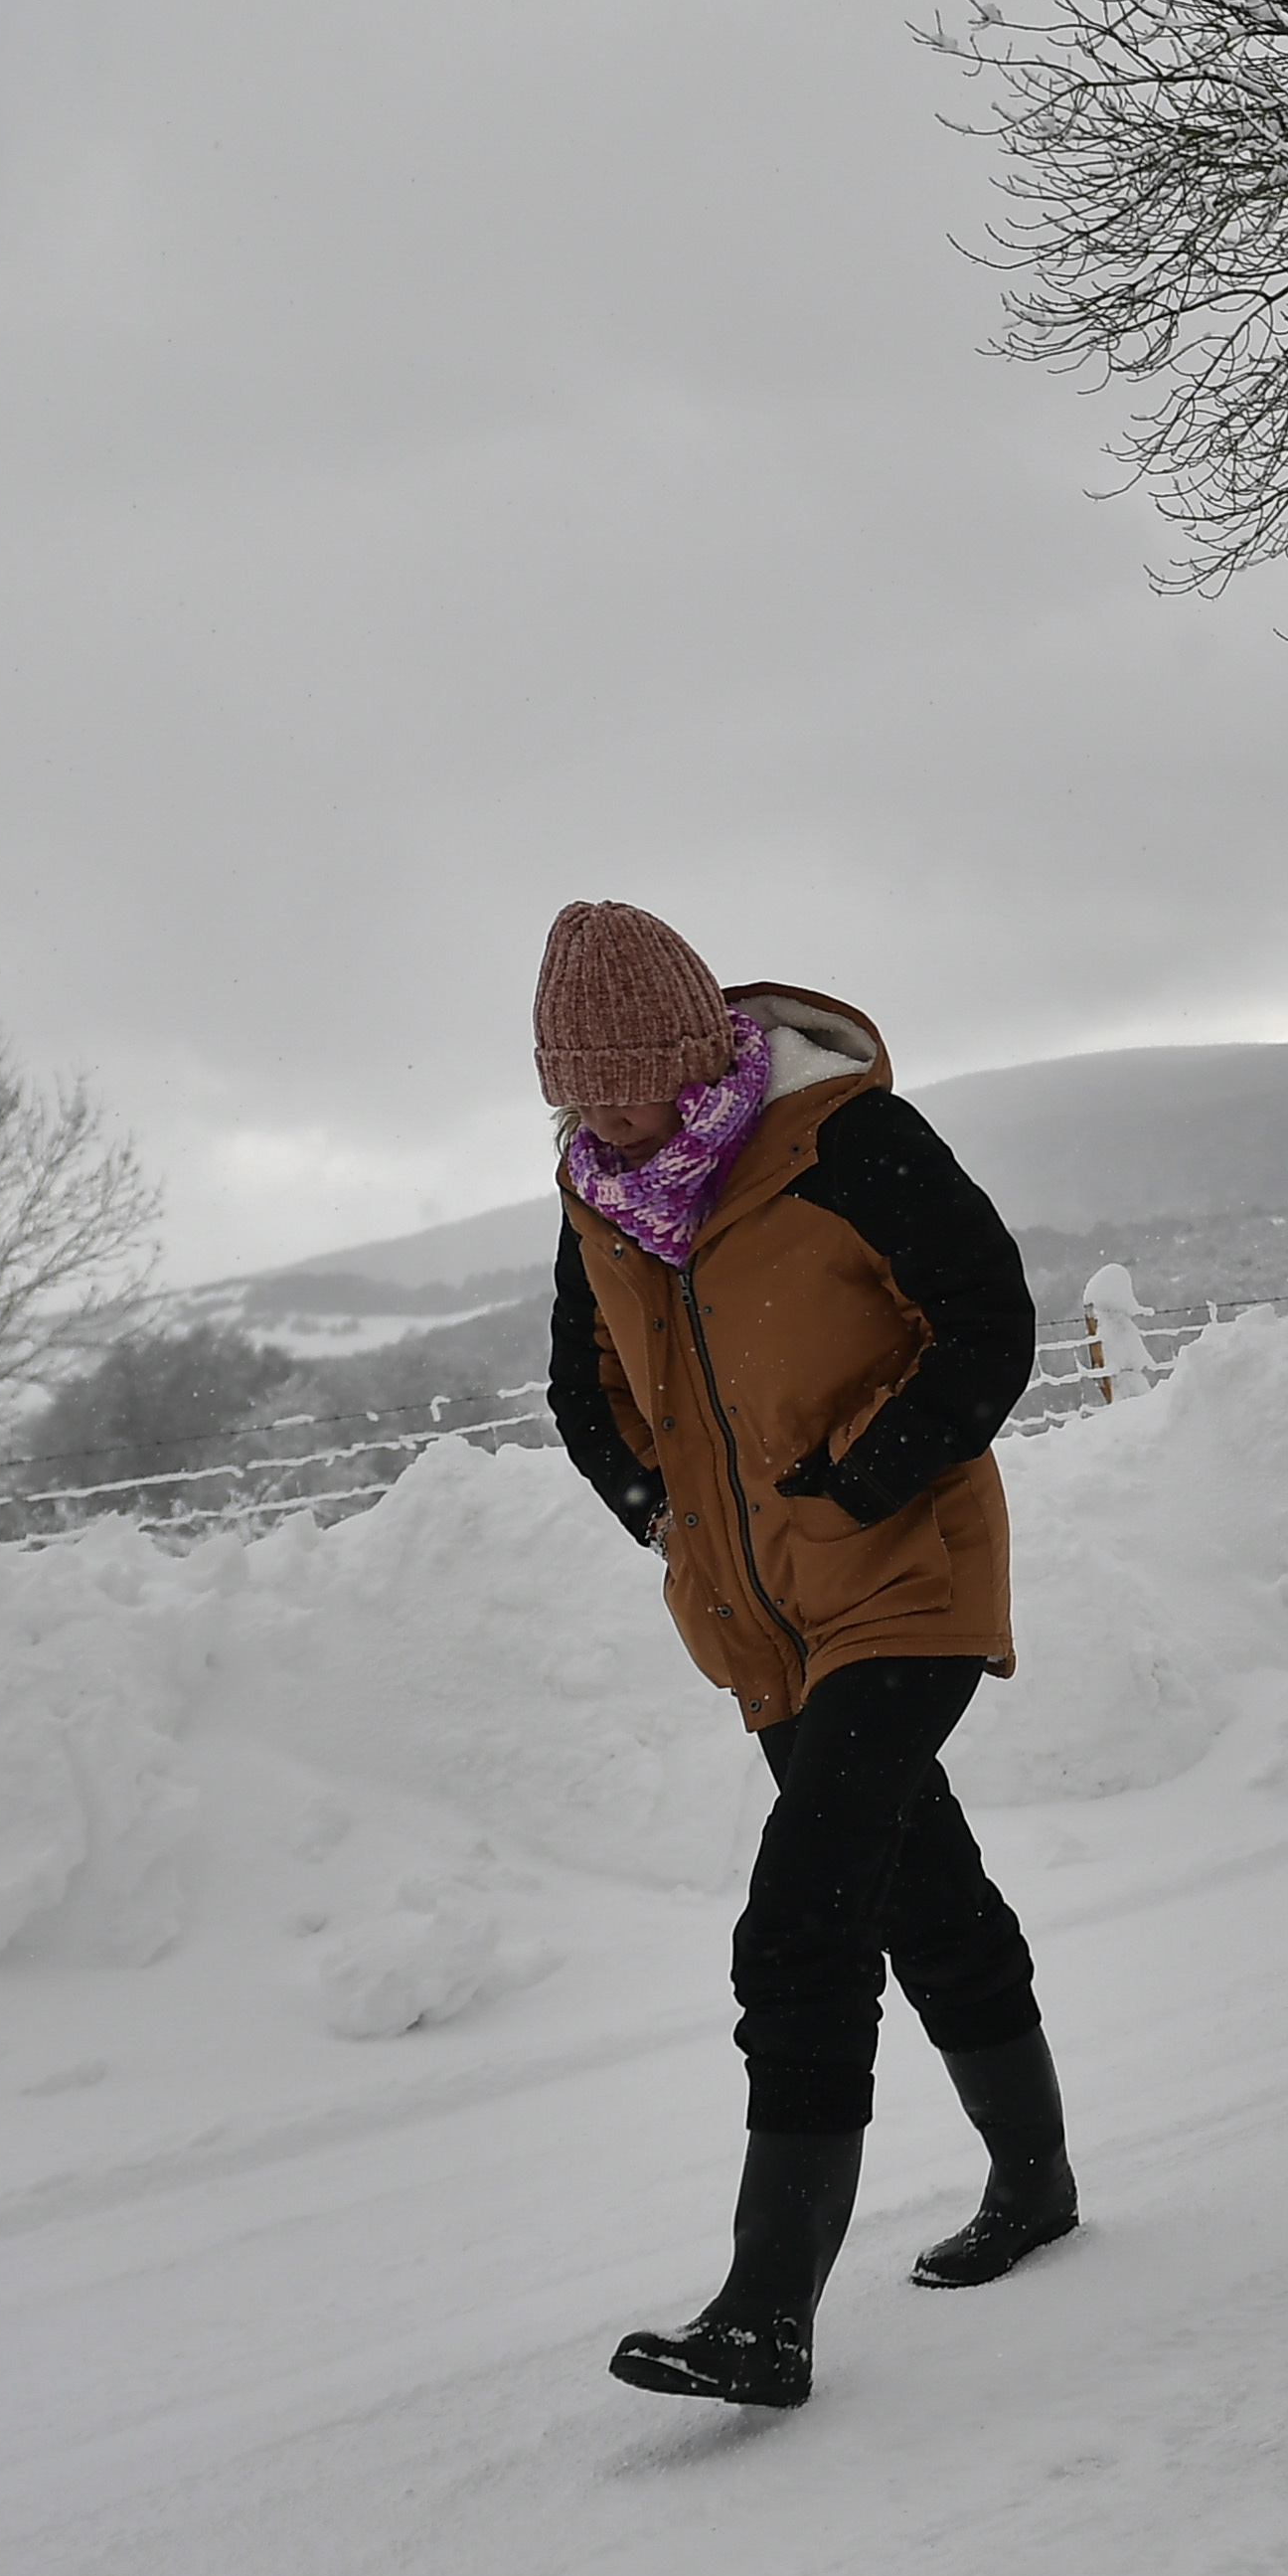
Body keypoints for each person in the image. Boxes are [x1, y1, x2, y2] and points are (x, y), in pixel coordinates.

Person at [535, 898, 1079, 2411]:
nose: (600, 1116)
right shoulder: (602, 1194)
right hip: (758, 1613)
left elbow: (983, 1318)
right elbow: (584, 1386)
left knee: (801, 1915)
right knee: (921, 1887)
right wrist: (664, 1513)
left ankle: (766, 2310)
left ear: (684, 1050)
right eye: (570, 1092)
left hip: (905, 1575)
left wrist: (867, 1471)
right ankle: (1035, 2182)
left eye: (618, 1082)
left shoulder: (848, 1143)